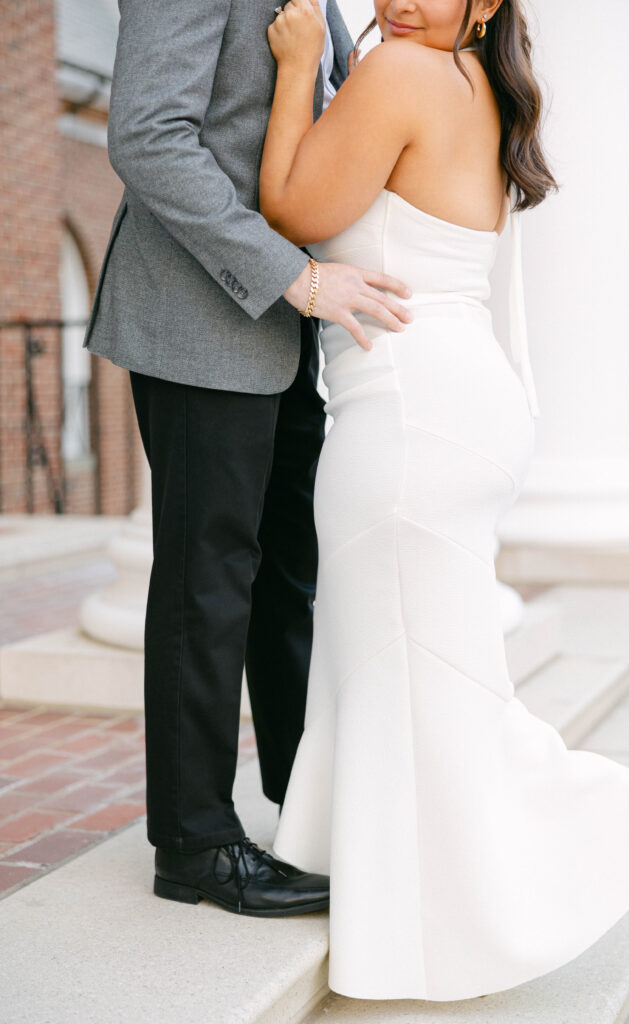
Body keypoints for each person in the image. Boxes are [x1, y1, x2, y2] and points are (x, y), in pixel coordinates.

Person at [260, 0, 629, 1000]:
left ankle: (550, 855)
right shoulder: (476, 83)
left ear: (483, 3)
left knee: (417, 670)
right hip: (455, 402)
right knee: (404, 661)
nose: (397, 2)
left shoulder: (399, 73)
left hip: (409, 415)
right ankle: (381, 878)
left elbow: (291, 213)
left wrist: (291, 65)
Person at [83, 0, 414, 918]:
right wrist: (294, 277)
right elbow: (149, 136)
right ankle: (192, 845)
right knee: (207, 581)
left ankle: (302, 807)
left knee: (284, 577)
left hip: (284, 331)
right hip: (204, 321)